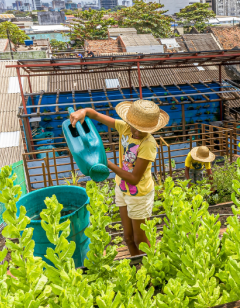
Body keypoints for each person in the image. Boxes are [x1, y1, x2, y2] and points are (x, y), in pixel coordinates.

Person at [69, 100, 169, 256]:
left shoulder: (148, 144)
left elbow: (134, 178)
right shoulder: (124, 127)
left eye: (141, 130)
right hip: (121, 188)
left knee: (140, 240)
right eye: (134, 127)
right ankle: (138, 270)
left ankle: (149, 271)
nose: (135, 132)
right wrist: (83, 111)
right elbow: (94, 114)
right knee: (128, 238)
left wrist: (106, 162)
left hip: (139, 194)